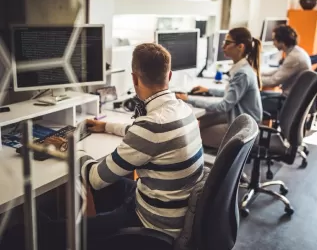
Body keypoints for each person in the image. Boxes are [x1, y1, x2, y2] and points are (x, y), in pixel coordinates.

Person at [40, 43, 205, 249]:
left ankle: (101, 238)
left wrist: (69, 147)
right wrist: (107, 126)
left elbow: (95, 179)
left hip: (152, 225)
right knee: (112, 181)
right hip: (170, 210)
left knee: (49, 231)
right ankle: (100, 231)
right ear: (169, 76)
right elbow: (149, 136)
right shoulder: (182, 109)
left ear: (134, 78)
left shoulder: (150, 126)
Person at [176, 27, 263, 132]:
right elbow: (232, 93)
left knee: (196, 134)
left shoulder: (242, 74)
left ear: (240, 46)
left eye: (227, 42)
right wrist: (209, 91)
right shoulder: (243, 68)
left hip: (244, 129)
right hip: (243, 120)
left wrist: (188, 99)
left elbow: (223, 106)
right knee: (203, 121)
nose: (223, 46)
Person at [261, 25, 311, 114]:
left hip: (288, 101)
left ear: (282, 42)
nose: (273, 43)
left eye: (274, 40)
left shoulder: (294, 57)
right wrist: (258, 74)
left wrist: (254, 79)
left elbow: (273, 82)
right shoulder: (296, 52)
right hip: (294, 98)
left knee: (252, 100)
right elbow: (280, 71)